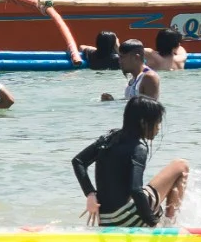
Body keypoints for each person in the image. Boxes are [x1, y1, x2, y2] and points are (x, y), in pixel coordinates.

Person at [72, 95, 189, 227]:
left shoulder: (109, 138)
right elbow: (135, 190)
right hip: (128, 217)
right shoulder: (138, 148)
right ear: (144, 122)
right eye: (157, 122)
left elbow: (78, 161)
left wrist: (90, 194)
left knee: (144, 192)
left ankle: (162, 220)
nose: (158, 128)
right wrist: (153, 224)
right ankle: (170, 224)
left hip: (104, 219)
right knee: (181, 165)